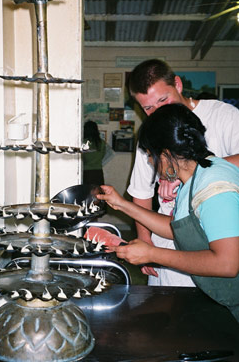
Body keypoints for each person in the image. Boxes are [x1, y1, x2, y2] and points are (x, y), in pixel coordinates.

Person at [97, 103, 239, 322]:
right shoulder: (195, 175)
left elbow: (227, 264)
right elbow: (179, 228)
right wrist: (123, 204)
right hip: (219, 299)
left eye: (150, 155)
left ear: (165, 154)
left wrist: (152, 254)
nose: (151, 161)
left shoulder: (215, 188)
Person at [127, 59, 239, 287]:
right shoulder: (150, 132)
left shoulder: (223, 115)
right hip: (168, 241)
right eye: (148, 108)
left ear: (177, 85)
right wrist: (144, 239)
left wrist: (187, 172)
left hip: (214, 239)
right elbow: (141, 192)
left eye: (162, 99)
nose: (158, 111)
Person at [83, 120, 106, 186]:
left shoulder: (83, 143)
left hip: (86, 172)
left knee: (86, 194)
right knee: (98, 194)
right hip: (98, 172)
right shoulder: (102, 142)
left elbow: (82, 158)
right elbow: (102, 156)